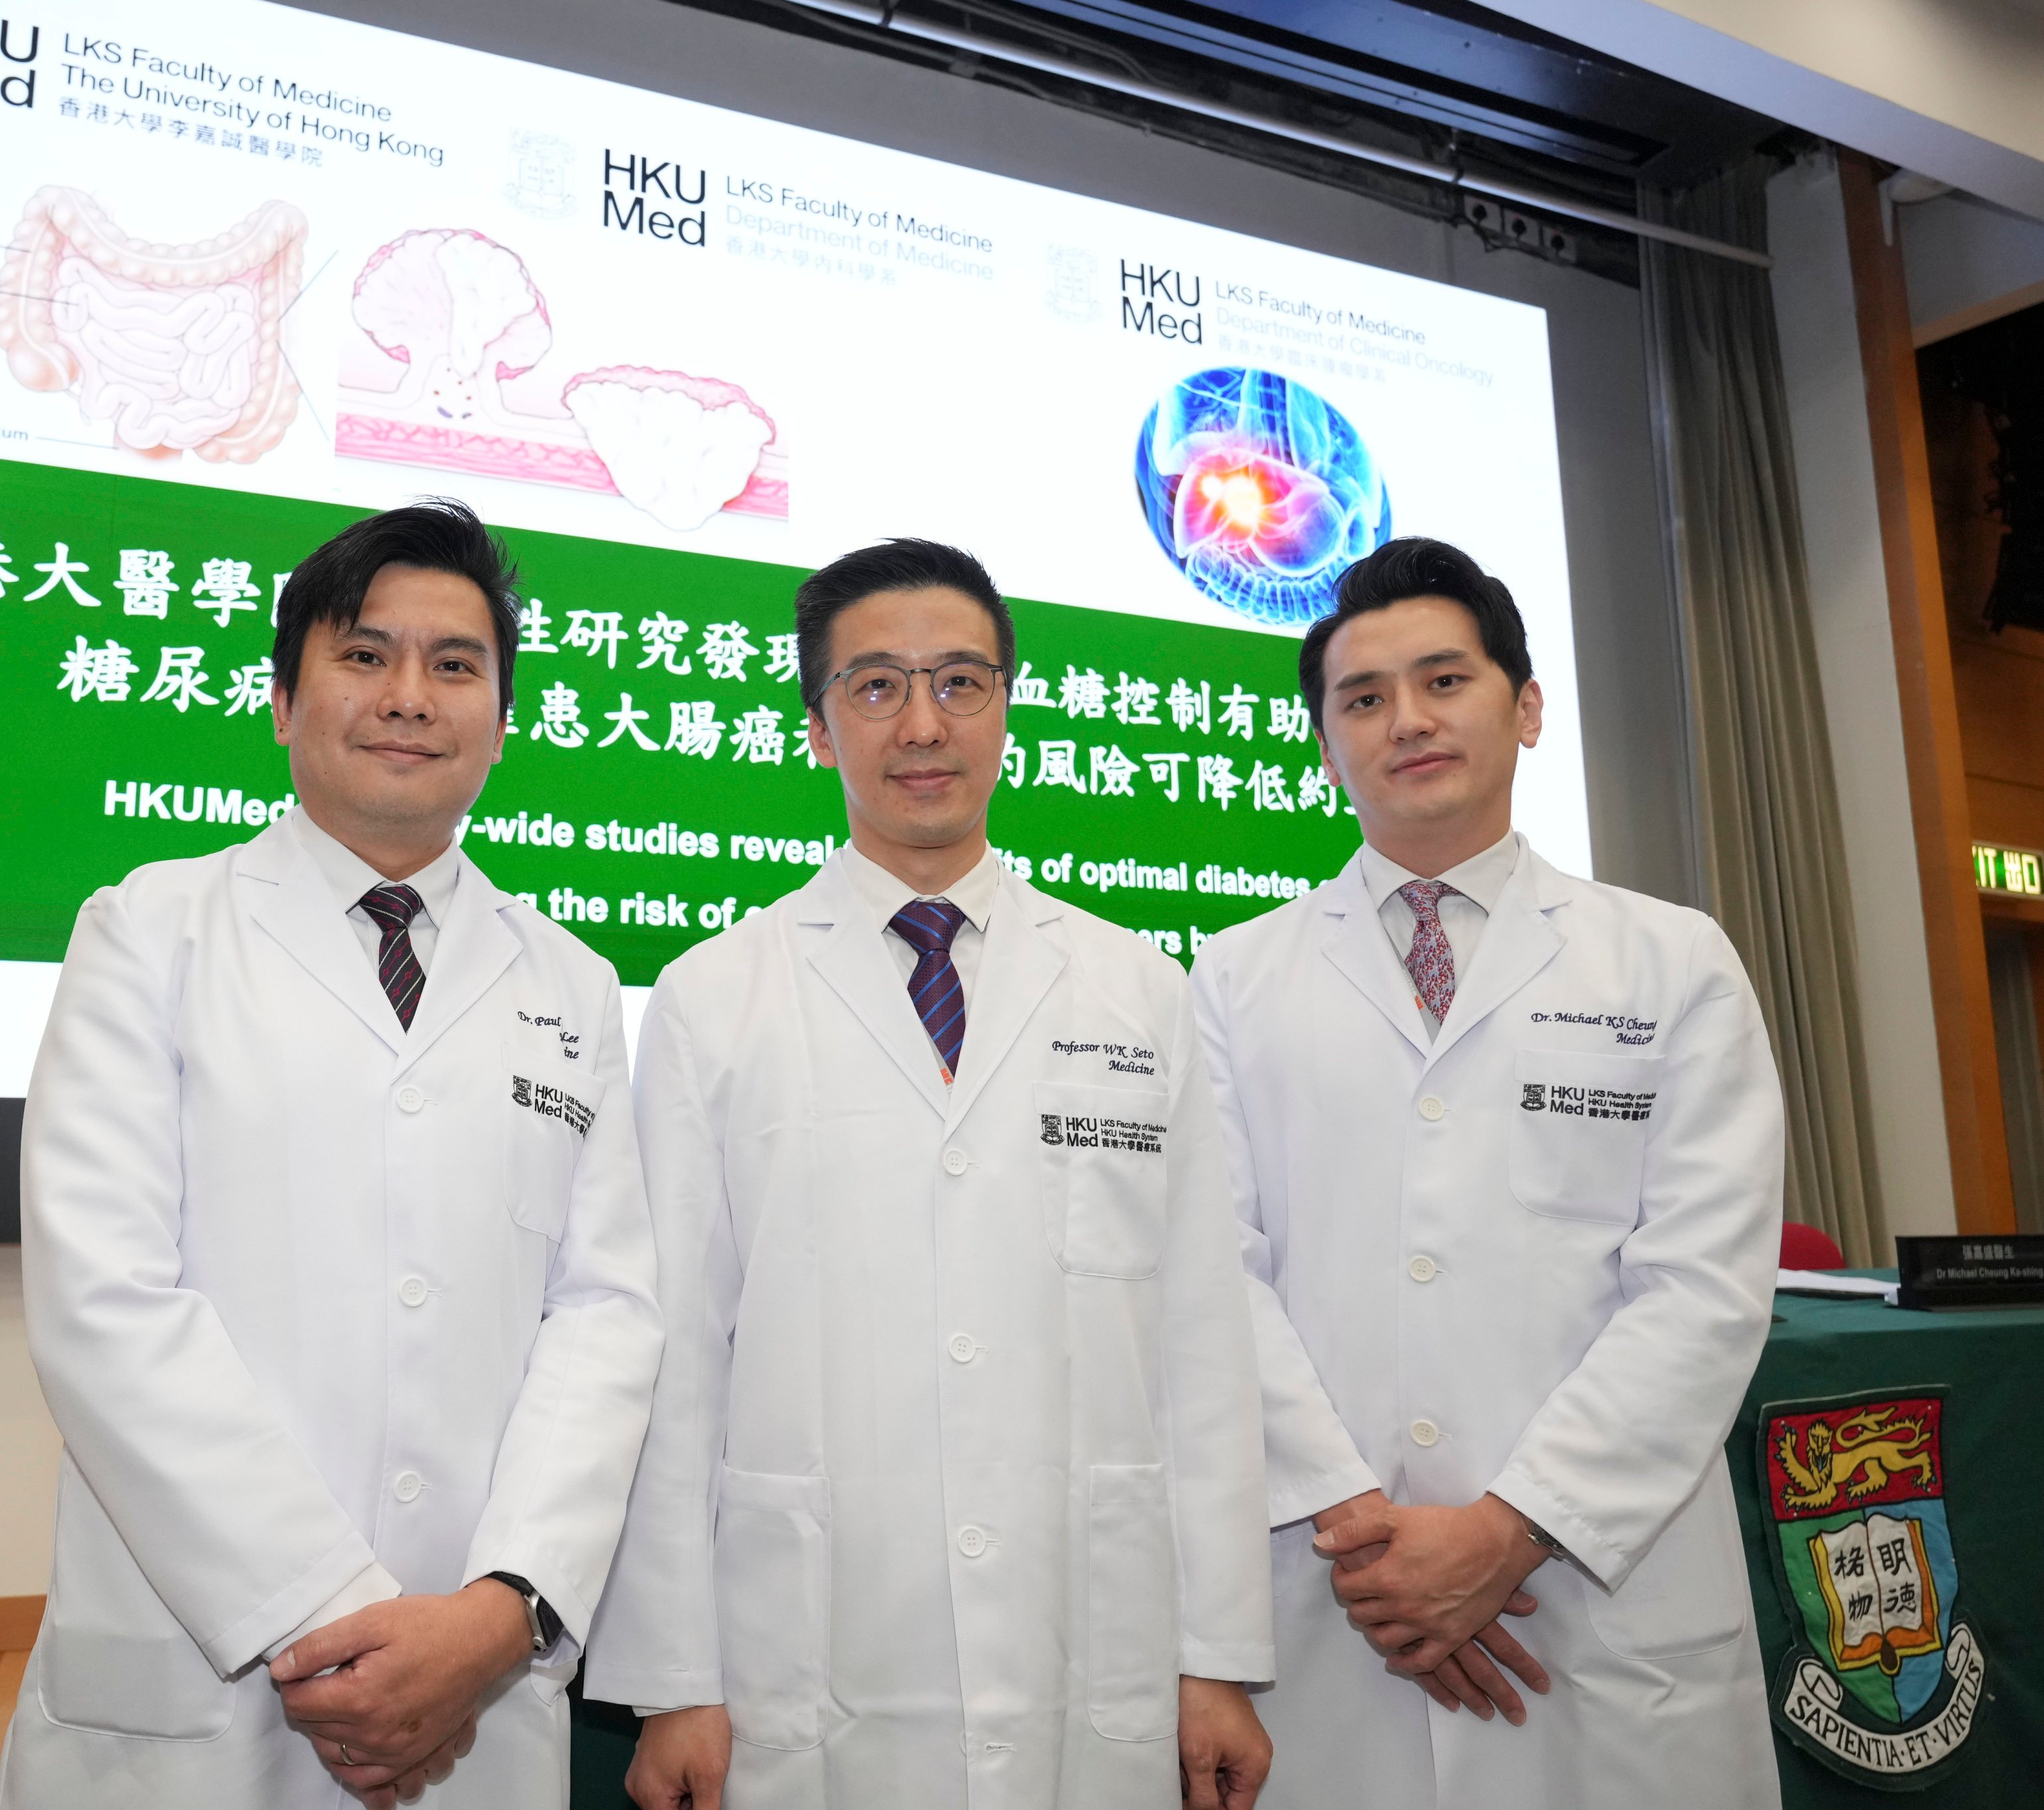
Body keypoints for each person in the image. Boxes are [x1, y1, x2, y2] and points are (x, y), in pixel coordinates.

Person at [588, 540, 1275, 1810]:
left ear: (1009, 710)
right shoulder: (711, 1000)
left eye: (960, 682)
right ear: (815, 726)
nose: (922, 723)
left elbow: (1203, 1349)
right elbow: (673, 1363)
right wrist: (673, 1680)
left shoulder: (1139, 990)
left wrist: (1219, 1658)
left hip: (1092, 1641)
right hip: (813, 1646)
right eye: (876, 685)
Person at [1, 499, 663, 1809]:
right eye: (364, 656)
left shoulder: (573, 984)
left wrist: (497, 1610)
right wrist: (328, 1613)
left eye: (455, 665)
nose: (410, 697)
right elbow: (104, 1306)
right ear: (281, 700)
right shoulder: (149, 931)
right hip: (209, 1676)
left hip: (478, 1670)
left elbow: (603, 1316)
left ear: (502, 718)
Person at [1190, 537, 1783, 1809]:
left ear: (1524, 708)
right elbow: (1207, 1274)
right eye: (1362, 698)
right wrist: (1369, 1539)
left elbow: (1702, 1290)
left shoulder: (1672, 964)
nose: (1405, 720)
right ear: (1324, 740)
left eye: (1444, 681)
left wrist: (1510, 1528)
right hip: (1339, 1596)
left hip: (1593, 1602)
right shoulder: (1232, 980)